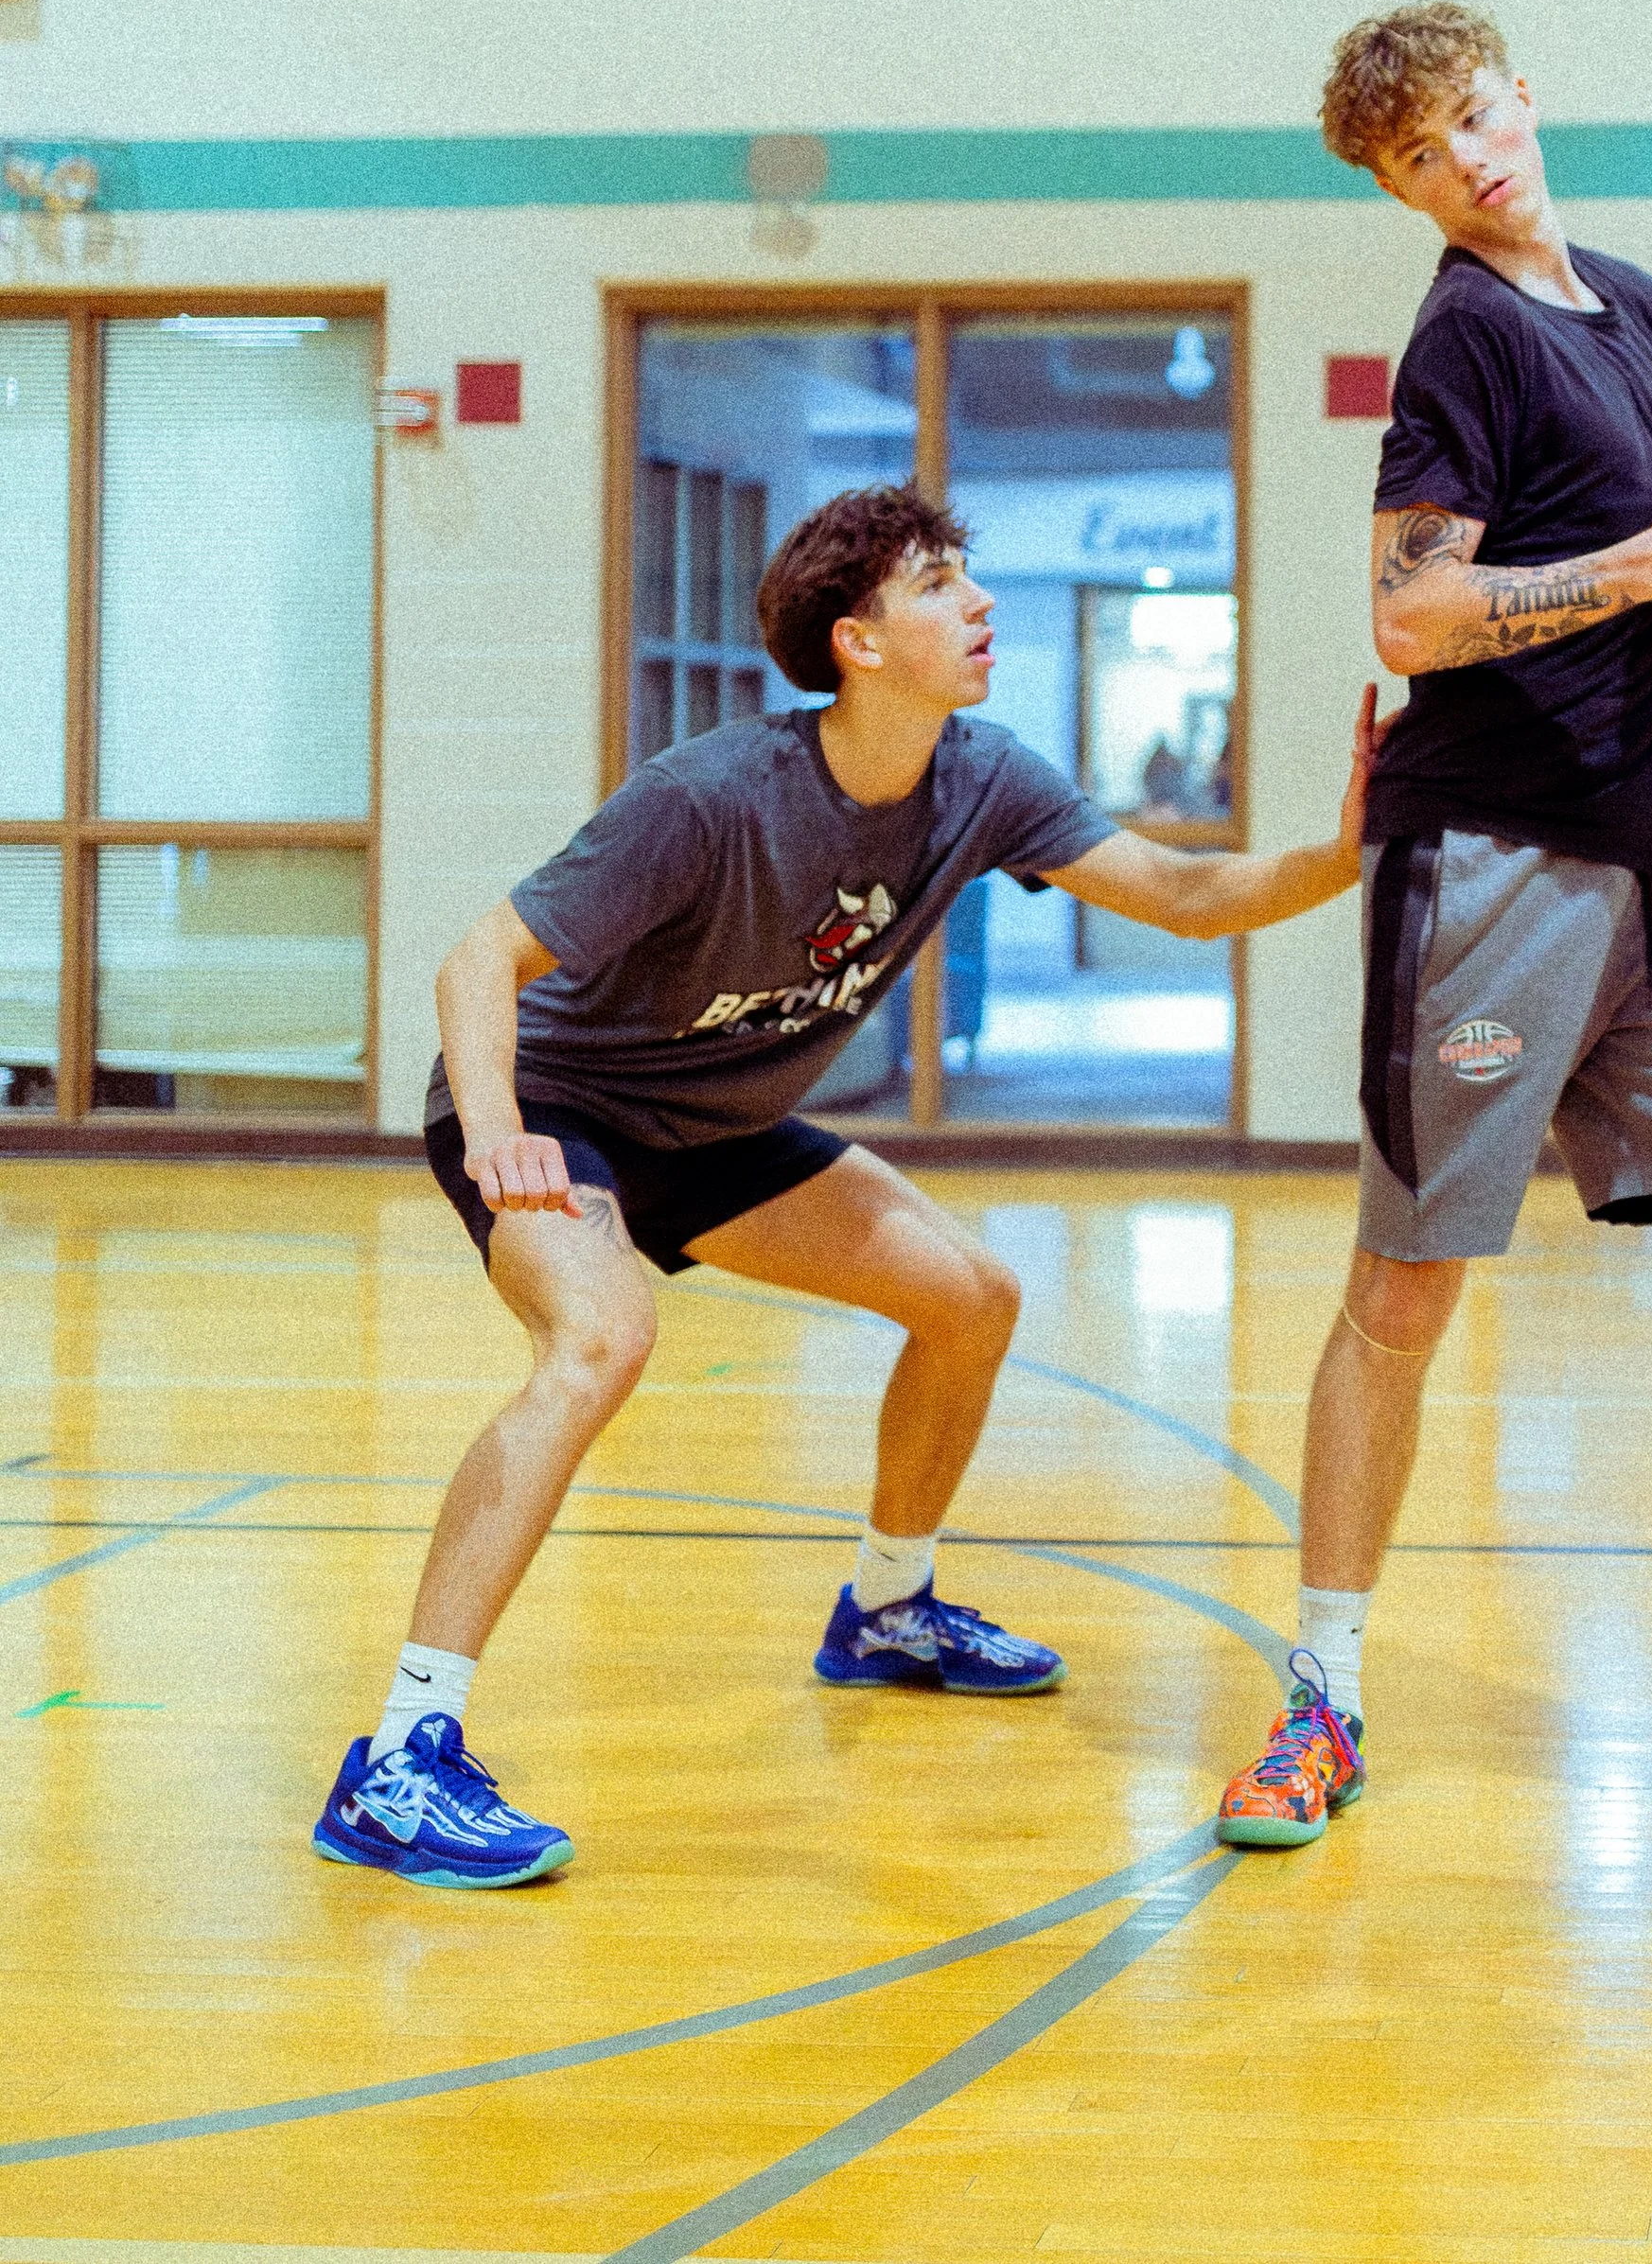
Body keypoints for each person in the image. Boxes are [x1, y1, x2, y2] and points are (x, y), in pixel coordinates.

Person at [314, 482, 1382, 1888]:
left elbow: (1185, 895)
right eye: (941, 583)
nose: (979, 602)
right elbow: (477, 958)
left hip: (716, 1124)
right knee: (601, 1335)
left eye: (967, 578)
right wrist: (506, 1131)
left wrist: (1344, 847)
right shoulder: (709, 797)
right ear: (858, 640)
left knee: (970, 1298)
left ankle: (886, 1607)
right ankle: (401, 1754)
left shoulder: (983, 778)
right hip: (561, 1107)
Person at [1215, 2, 1652, 1858]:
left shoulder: (1633, 303)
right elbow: (1412, 616)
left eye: (1475, 116)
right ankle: (1322, 1693)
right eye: (1420, 156)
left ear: (1526, 91)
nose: (1468, 161)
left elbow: (1622, 592)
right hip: (1489, 861)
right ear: (1396, 187)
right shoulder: (1463, 333)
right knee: (1404, 1288)